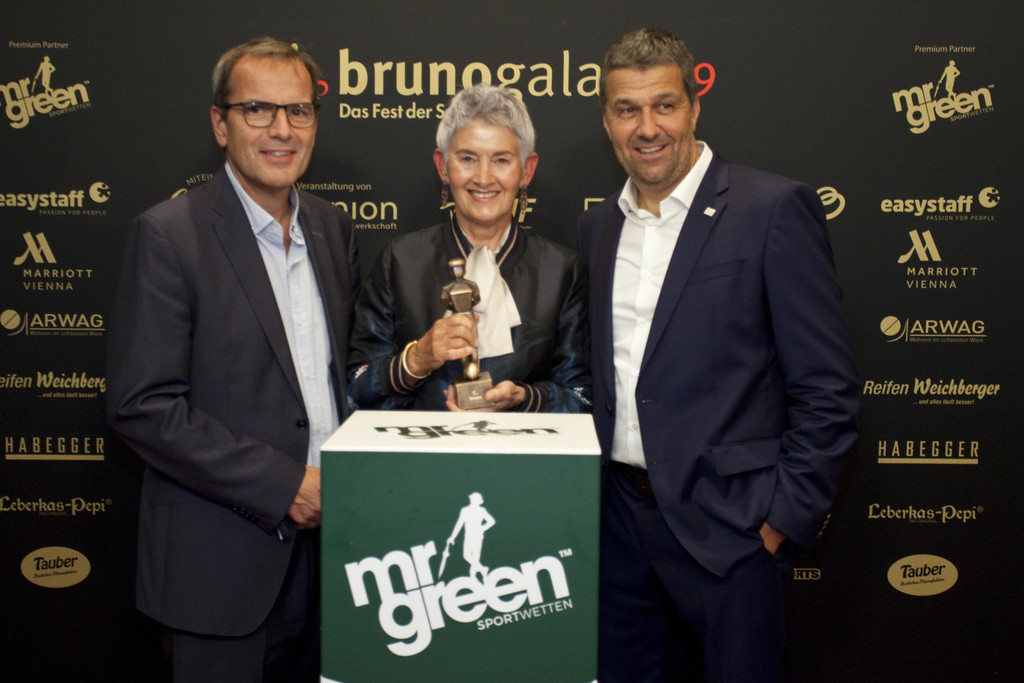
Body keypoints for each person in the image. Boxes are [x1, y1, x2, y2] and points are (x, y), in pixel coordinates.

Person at [576, 28, 859, 682]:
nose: (648, 127)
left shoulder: (771, 209)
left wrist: (778, 522)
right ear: (607, 121)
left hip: (733, 530)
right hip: (620, 531)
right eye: (627, 109)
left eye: (665, 105)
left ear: (695, 107)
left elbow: (827, 388)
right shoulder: (599, 226)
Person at [106, 37, 359, 681]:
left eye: (298, 110)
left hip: (336, 561)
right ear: (221, 124)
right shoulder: (168, 235)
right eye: (257, 109)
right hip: (220, 570)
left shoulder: (332, 228)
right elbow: (143, 407)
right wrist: (285, 486)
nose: (282, 129)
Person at [348, 83, 590, 413]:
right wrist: (417, 358)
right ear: (442, 166)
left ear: (527, 170)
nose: (484, 178)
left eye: (501, 160)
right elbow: (356, 386)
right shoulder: (400, 261)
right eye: (467, 159)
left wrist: (523, 398)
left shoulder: (561, 271)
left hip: (522, 447)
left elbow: (581, 397)